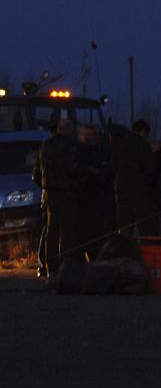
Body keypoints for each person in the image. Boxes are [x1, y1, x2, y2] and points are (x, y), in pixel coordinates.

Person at [32, 118, 82, 277]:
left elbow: (36, 175)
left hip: (49, 196)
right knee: (67, 232)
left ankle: (49, 267)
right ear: (67, 129)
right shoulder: (72, 147)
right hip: (67, 196)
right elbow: (77, 170)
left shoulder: (45, 146)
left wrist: (47, 187)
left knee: (50, 233)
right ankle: (66, 267)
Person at [73, 124, 114, 261]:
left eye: (94, 135)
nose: (91, 139)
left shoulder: (102, 151)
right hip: (83, 199)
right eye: (88, 136)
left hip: (98, 200)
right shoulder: (77, 154)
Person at [107, 123, 156, 236]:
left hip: (122, 189)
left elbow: (113, 165)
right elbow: (150, 168)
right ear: (143, 132)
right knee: (145, 224)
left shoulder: (119, 144)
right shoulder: (142, 145)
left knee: (125, 225)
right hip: (139, 190)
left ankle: (125, 249)